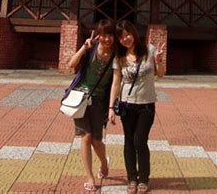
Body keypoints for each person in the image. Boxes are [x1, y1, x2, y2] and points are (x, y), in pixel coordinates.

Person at [108, 20, 165, 193]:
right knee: (128, 141)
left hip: (146, 105)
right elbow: (116, 83)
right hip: (127, 105)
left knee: (140, 141)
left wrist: (159, 61)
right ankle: (132, 178)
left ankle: (144, 178)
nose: (125, 39)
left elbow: (160, 75)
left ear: (133, 33)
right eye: (121, 37)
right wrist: (111, 107)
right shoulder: (120, 57)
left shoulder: (150, 50)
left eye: (127, 34)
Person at [68, 19, 116, 192]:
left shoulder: (117, 55)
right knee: (86, 136)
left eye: (110, 35)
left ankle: (104, 162)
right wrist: (83, 47)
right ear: (98, 35)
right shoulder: (91, 49)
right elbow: (71, 64)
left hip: (99, 101)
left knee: (97, 140)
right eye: (103, 35)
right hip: (80, 97)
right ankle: (90, 176)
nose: (107, 39)